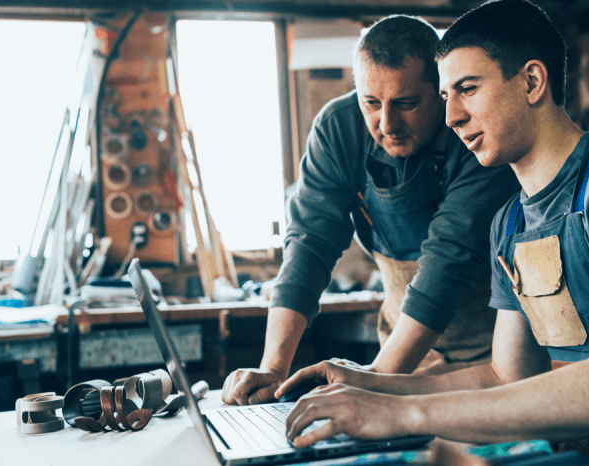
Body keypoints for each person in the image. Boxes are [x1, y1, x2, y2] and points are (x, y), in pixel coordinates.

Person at [276, 1, 589, 463]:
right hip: (577, 449)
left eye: (468, 88)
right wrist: (371, 385)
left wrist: (404, 415)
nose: (451, 117)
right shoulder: (510, 222)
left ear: (532, 81)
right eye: (446, 97)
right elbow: (509, 377)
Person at [222, 15, 519, 405]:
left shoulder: (473, 134)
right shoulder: (337, 128)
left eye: (406, 104)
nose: (387, 123)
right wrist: (274, 368)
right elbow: (309, 247)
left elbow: (449, 263)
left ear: (441, 92)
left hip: (493, 353)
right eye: (371, 103)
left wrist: (375, 381)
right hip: (404, 347)